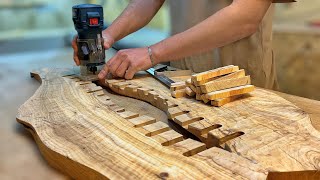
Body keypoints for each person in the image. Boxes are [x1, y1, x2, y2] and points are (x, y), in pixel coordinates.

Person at [72, 0, 294, 89]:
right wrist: (107, 36)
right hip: (180, 78)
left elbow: (246, 16)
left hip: (237, 80)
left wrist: (151, 53)